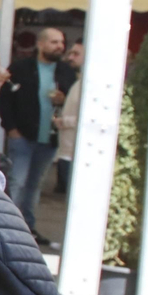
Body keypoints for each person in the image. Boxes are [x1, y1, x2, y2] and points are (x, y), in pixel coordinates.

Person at [0, 26, 73, 241]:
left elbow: (74, 100)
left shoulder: (65, 71)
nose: (60, 46)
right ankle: (8, 227)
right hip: (22, 136)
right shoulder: (21, 68)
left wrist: (63, 98)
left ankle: (28, 227)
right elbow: (5, 99)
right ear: (40, 44)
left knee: (34, 185)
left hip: (49, 138)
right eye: (54, 42)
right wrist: (11, 128)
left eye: (61, 42)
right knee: (17, 182)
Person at [54, 40, 85, 195]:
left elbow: (86, 118)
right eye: (70, 53)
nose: (70, 57)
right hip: (67, 149)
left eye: (76, 54)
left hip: (76, 153)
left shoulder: (89, 84)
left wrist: (62, 121)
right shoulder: (79, 81)